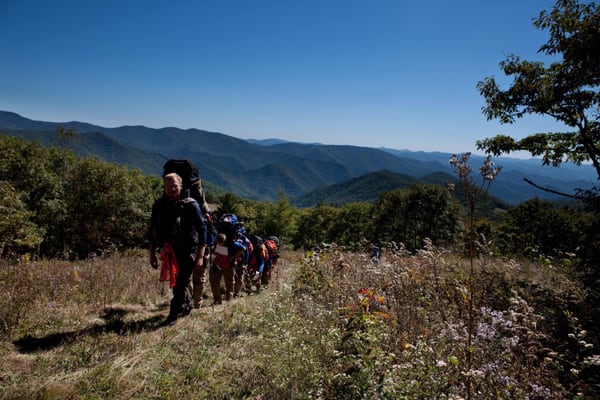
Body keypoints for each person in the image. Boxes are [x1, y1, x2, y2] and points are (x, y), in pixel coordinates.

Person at [149, 173, 207, 326]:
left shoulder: (191, 204)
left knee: (180, 283)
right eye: (168, 187)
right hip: (169, 251)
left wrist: (200, 256)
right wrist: (152, 254)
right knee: (178, 284)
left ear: (181, 186)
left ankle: (172, 316)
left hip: (188, 251)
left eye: (174, 186)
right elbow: (153, 231)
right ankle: (186, 306)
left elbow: (202, 230)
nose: (171, 189)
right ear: (164, 187)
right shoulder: (160, 205)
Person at [209, 232, 246, 304]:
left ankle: (229, 300)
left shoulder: (233, 244)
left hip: (228, 265)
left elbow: (243, 248)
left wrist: (233, 257)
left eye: (221, 243)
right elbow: (213, 250)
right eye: (219, 243)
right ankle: (217, 300)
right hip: (218, 264)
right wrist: (218, 255)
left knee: (229, 283)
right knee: (214, 281)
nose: (220, 245)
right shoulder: (216, 243)